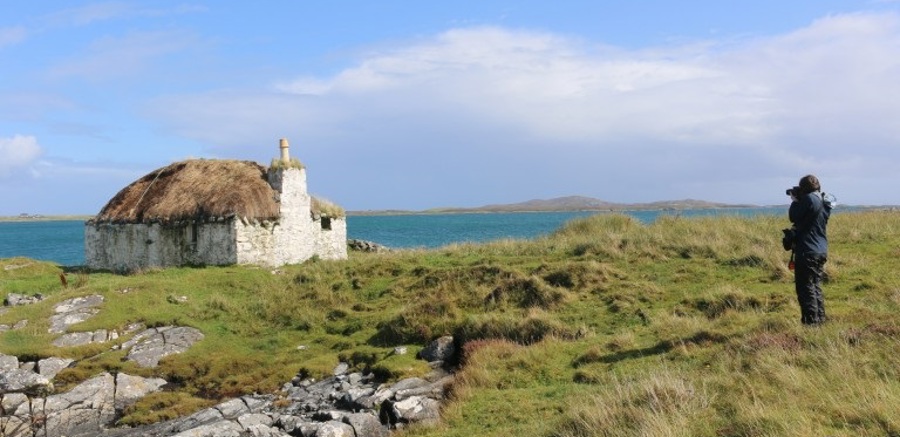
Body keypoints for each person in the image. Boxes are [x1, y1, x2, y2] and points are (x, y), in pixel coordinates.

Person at [788, 174, 832, 325]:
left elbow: (794, 216)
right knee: (815, 286)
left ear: (803, 188)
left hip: (807, 250)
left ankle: (811, 324)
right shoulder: (823, 201)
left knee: (805, 288)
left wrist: (795, 201)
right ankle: (820, 320)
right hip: (820, 250)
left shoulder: (808, 200)